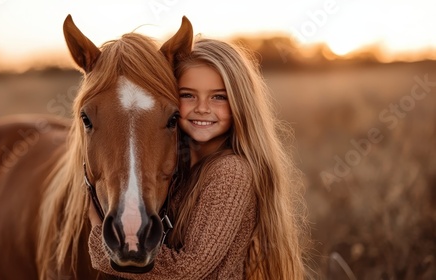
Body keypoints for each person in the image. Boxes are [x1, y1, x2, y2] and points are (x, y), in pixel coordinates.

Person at [88, 38, 308, 279]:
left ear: (239, 102)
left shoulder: (231, 173)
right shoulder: (181, 166)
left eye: (218, 97)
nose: (202, 108)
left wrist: (100, 238)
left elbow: (186, 271)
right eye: (188, 95)